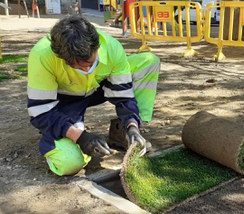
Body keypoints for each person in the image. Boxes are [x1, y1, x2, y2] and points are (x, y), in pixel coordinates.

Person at [27, 15, 160, 176]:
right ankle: (60, 133)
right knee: (70, 163)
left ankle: (123, 132)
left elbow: (123, 94)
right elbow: (40, 112)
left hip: (98, 89)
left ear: (96, 47)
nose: (86, 70)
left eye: (90, 63)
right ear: (62, 58)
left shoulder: (111, 47)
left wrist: (132, 125)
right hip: (66, 101)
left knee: (148, 61)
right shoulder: (42, 55)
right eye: (78, 67)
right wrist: (80, 136)